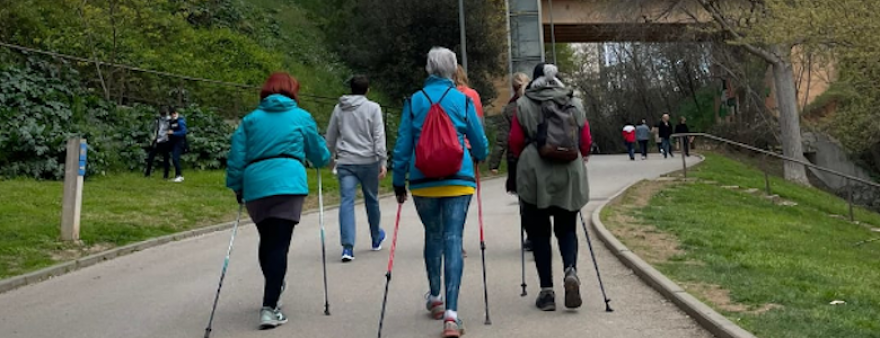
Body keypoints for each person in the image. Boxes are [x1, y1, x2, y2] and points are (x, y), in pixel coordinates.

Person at [392, 47, 489, 338]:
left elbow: (402, 147)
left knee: (433, 235)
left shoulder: (414, 102)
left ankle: (435, 297)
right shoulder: (462, 100)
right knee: (453, 238)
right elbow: (480, 143)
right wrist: (479, 157)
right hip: (458, 178)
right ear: (453, 69)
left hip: (423, 181)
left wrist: (399, 181)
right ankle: (452, 315)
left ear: (428, 68)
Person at [225, 72, 332, 330]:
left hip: (256, 185)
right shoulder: (301, 117)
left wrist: (237, 186)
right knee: (280, 244)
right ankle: (269, 307)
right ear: (293, 91)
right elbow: (319, 154)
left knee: (268, 240)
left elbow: (237, 157)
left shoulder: (250, 120)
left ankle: (273, 288)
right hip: (288, 183)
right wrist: (322, 157)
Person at [509, 63, 591, 312]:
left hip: (535, 174)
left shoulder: (524, 104)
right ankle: (570, 270)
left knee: (539, 233)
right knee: (567, 229)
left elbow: (515, 142)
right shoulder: (574, 102)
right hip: (569, 171)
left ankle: (547, 292)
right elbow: (585, 141)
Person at [325, 74, 387, 262]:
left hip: (346, 161)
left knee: (346, 201)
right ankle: (376, 237)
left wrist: (330, 159)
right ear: (367, 90)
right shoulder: (373, 108)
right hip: (368, 161)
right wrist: (382, 161)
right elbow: (378, 136)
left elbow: (331, 136)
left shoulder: (339, 108)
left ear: (351, 88)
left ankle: (347, 247)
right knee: (371, 199)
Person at [488, 72, 533, 251]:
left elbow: (503, 138)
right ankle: (542, 232)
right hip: (539, 157)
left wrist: (494, 163)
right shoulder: (538, 103)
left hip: (518, 159)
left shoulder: (510, 109)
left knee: (524, 200)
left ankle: (530, 235)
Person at [145, 108, 171, 178]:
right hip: (158, 140)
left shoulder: (169, 120)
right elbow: (156, 130)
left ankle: (165, 175)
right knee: (153, 157)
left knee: (165, 158)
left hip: (164, 140)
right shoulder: (158, 120)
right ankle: (148, 173)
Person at [167, 108, 188, 182]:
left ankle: (179, 175)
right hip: (173, 142)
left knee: (175, 158)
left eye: (173, 114)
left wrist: (173, 133)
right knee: (174, 159)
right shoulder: (171, 121)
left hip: (179, 142)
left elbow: (183, 132)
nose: (172, 116)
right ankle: (177, 175)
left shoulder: (180, 121)